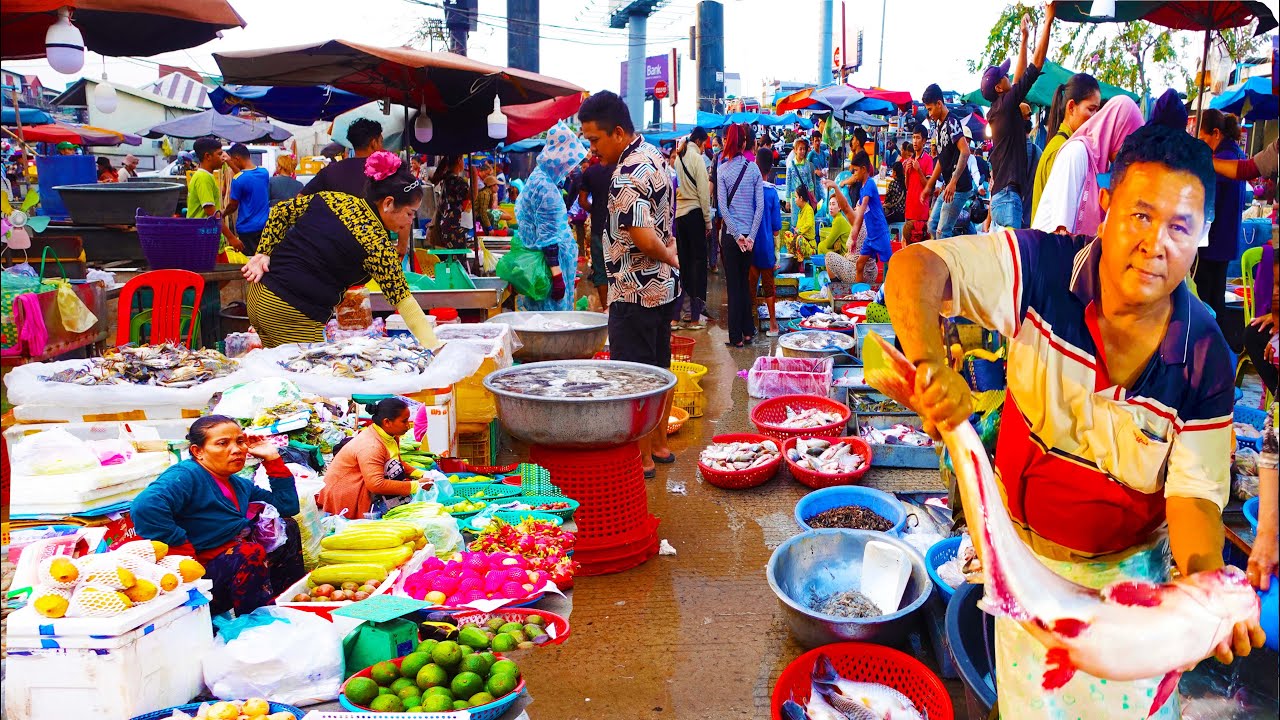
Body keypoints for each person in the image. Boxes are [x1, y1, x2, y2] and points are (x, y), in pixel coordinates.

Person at [885, 124, 1264, 719]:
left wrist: (1203, 587)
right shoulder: (1041, 267)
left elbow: (1195, 500)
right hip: (1022, 563)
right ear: (1107, 205)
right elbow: (914, 268)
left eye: (1179, 227)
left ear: (1203, 239)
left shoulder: (1206, 358)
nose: (1156, 243)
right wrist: (932, 367)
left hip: (1129, 588)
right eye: (1141, 215)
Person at [240, 150, 439, 349]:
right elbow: (403, 300)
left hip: (260, 294)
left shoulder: (335, 200)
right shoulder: (377, 243)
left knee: (276, 373)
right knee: (303, 376)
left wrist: (263, 252)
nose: (410, 221)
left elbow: (280, 213)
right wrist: (434, 347)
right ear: (388, 203)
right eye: (409, 213)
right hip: (292, 312)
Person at [578, 91, 679, 477]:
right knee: (660, 367)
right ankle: (660, 445)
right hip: (661, 289)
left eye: (595, 140)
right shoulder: (654, 156)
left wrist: (668, 254)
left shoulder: (624, 176)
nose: (592, 150)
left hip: (634, 289)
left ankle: (643, 458)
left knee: (634, 378)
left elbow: (640, 234)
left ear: (618, 132)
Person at [131, 415, 304, 616]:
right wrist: (182, 550)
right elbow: (145, 506)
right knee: (249, 552)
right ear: (198, 451)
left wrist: (272, 459)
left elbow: (287, 506)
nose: (237, 449)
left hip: (225, 560)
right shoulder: (187, 475)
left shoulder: (237, 484)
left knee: (288, 527)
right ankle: (255, 623)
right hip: (196, 572)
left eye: (240, 441)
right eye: (222, 443)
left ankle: (289, 604)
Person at [984, 3, 1055, 229]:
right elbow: (1035, 67)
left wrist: (1024, 39)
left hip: (1000, 199)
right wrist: (1049, 19)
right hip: (1008, 199)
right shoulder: (1005, 106)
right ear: (998, 87)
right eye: (1003, 76)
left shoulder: (999, 108)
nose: (1008, 77)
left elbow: (1017, 79)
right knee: (1011, 263)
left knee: (1003, 261)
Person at [1032, 95, 1143, 236]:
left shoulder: (1103, 165)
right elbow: (1060, 230)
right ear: (1116, 131)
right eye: (1127, 145)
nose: (1129, 156)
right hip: (1050, 250)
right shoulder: (1077, 152)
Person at [514, 122, 589, 312]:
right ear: (561, 158)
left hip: (544, 263)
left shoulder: (539, 177)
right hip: (548, 267)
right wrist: (557, 276)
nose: (571, 167)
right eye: (569, 161)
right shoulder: (545, 187)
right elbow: (548, 237)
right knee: (551, 322)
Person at [320, 398, 431, 519]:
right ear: (387, 422)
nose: (408, 426)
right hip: (346, 494)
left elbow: (396, 462)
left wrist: (421, 473)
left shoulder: (391, 436)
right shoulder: (372, 446)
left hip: (365, 486)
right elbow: (376, 484)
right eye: (404, 421)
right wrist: (415, 486)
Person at [1195, 109, 1246, 334]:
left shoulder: (1220, 162)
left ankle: (1207, 351)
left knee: (1206, 302)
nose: (1203, 145)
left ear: (1216, 133)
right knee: (1216, 301)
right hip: (1226, 243)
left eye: (1204, 139)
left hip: (1212, 243)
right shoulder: (1237, 156)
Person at [717, 123, 765, 349]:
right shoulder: (754, 169)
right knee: (745, 284)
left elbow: (722, 209)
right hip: (749, 236)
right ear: (744, 143)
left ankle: (736, 336)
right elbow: (760, 207)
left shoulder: (722, 170)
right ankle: (748, 331)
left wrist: (736, 236)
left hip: (731, 237)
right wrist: (751, 236)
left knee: (734, 286)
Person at [1031, 73, 1102, 219]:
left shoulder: (1068, 145)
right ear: (1071, 107)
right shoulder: (1064, 151)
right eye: (1091, 109)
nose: (1095, 117)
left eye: (1097, 110)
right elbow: (1059, 217)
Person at [829, 151, 892, 285]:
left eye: (856, 170)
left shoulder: (869, 184)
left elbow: (862, 208)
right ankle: (859, 295)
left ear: (864, 169)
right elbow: (855, 208)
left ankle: (889, 294)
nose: (854, 174)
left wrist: (854, 235)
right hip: (870, 237)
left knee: (890, 266)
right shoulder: (862, 186)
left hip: (880, 233)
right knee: (859, 266)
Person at [921, 84, 975, 239]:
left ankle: (948, 263)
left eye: (930, 109)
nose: (929, 114)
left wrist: (953, 182)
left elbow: (965, 151)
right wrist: (929, 186)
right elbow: (941, 160)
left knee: (942, 231)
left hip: (959, 187)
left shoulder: (952, 121)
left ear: (939, 103)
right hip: (949, 187)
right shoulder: (938, 125)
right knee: (932, 226)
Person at [673, 126, 713, 330]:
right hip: (695, 214)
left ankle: (678, 316)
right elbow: (704, 195)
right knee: (699, 266)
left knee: (684, 265)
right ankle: (695, 317)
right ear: (698, 141)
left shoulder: (678, 157)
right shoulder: (697, 159)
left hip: (680, 216)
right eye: (705, 143)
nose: (705, 147)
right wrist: (708, 222)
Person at [302, 118, 383, 196]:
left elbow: (300, 198)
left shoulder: (329, 171)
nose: (382, 147)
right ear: (374, 143)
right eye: (381, 142)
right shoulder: (385, 171)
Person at [752, 150, 783, 336]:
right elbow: (776, 228)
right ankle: (773, 325)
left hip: (750, 246)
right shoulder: (772, 193)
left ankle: (751, 325)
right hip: (767, 249)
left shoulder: (751, 190)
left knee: (751, 288)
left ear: (756, 164)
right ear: (771, 168)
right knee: (769, 288)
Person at [578, 154, 615, 311]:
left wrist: (595, 210)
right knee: (620, 270)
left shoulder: (590, 173)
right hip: (620, 228)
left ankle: (606, 308)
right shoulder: (621, 168)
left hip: (599, 227)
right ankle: (618, 308)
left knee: (600, 270)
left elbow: (582, 200)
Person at [224, 143, 270, 255]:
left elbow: (233, 205)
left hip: (247, 228)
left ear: (237, 158)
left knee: (249, 263)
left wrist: (223, 213)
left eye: (233, 160)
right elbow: (246, 177)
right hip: (264, 226)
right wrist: (229, 162)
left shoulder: (238, 180)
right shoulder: (264, 172)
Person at [429, 155, 470, 250]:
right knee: (458, 260)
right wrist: (474, 175)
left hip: (446, 224)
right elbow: (472, 196)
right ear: (459, 160)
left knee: (452, 260)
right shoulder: (457, 180)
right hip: (455, 225)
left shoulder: (446, 178)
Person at [903, 127, 935, 243]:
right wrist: (907, 173)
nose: (915, 141)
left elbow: (928, 187)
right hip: (909, 209)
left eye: (918, 138)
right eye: (913, 137)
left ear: (924, 140)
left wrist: (919, 170)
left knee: (920, 245)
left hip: (921, 211)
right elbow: (907, 186)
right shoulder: (909, 160)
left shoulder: (928, 160)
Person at [187, 136, 225, 220]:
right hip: (201, 231)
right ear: (208, 156)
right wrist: (230, 234)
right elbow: (213, 216)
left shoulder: (206, 176)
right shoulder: (203, 178)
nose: (223, 157)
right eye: (219, 154)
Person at [785, 136, 819, 229]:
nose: (803, 151)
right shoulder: (791, 165)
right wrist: (787, 200)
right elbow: (788, 183)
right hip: (795, 199)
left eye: (804, 149)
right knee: (795, 223)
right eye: (800, 149)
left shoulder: (807, 164)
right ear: (795, 150)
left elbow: (810, 181)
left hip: (805, 197)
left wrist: (812, 195)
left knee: (805, 222)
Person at [883, 147, 908, 225]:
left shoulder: (893, 184)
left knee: (880, 218)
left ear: (895, 173)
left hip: (895, 214)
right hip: (904, 214)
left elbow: (887, 200)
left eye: (893, 172)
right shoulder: (905, 182)